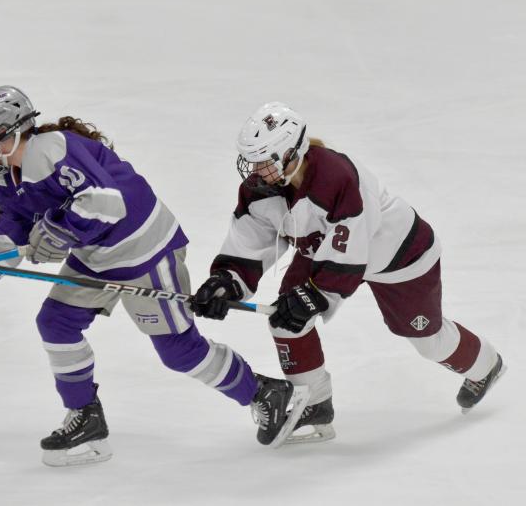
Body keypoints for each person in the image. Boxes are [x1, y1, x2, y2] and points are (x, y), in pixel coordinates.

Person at [0, 86, 309, 466]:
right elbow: (8, 240)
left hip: (144, 249)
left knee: (178, 351)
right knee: (56, 322)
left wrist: (59, 229)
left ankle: (265, 392)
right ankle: (86, 418)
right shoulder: (7, 183)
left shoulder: (53, 149)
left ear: (6, 130)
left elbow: (106, 203)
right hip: (97, 254)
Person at [192, 101, 506, 444]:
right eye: (251, 161)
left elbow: (353, 248)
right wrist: (226, 281)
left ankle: (485, 364)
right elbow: (249, 240)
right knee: (285, 318)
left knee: (428, 341)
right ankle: (313, 403)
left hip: (399, 257)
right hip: (327, 253)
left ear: (291, 154)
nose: (254, 170)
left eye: (264, 161)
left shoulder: (336, 177)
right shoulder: (259, 189)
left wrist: (315, 295)